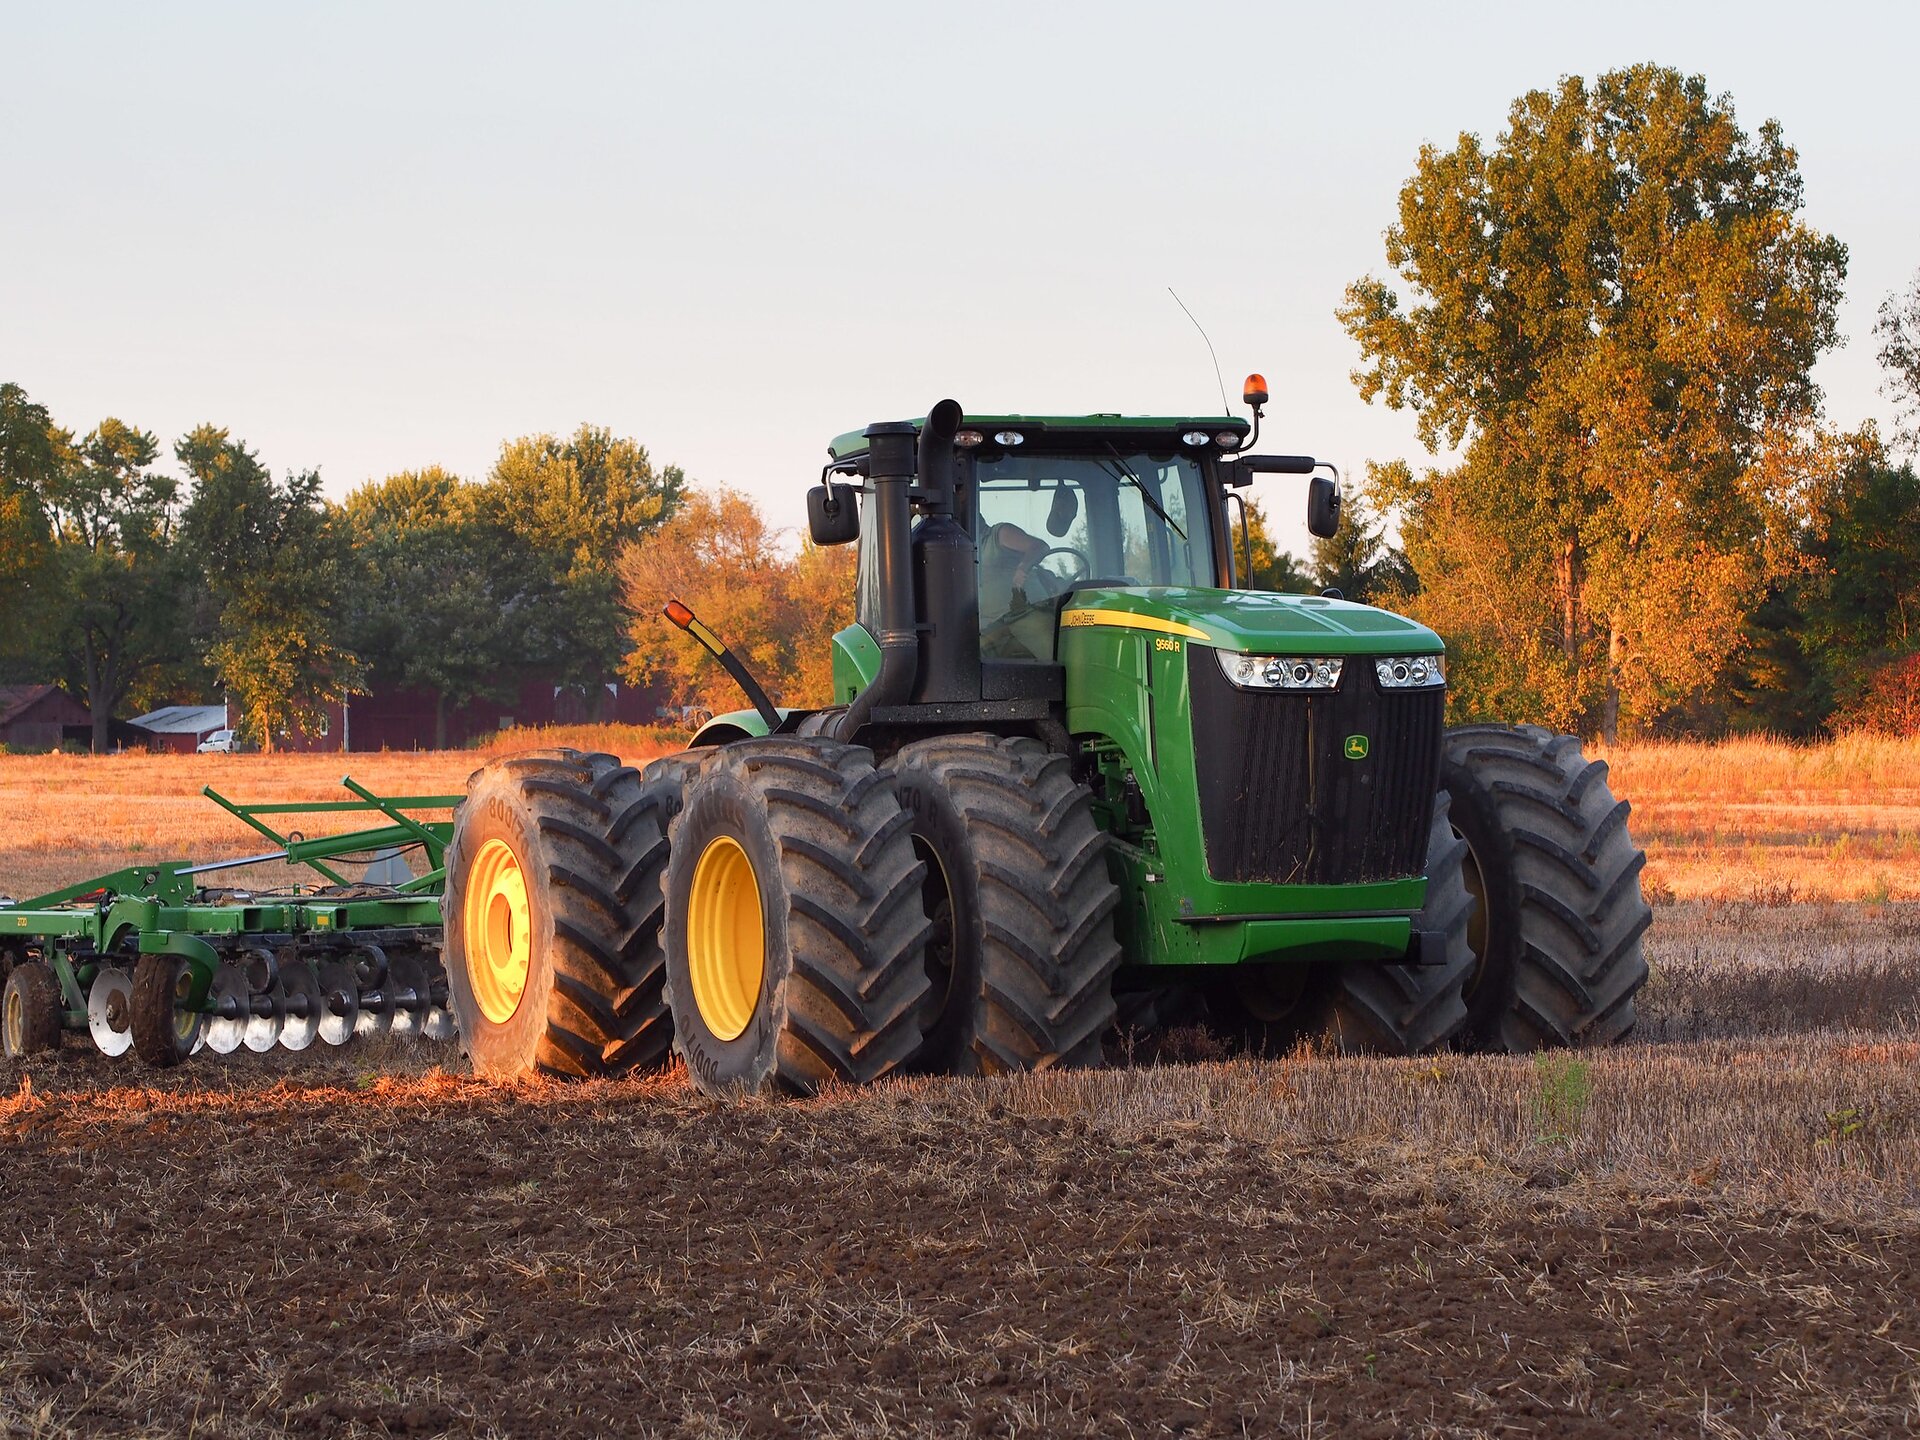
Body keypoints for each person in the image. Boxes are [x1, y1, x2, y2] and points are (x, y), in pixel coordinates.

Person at [978, 520, 1058, 660]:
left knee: (1053, 654)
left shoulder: (998, 534)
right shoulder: (962, 552)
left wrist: (1022, 568)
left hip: (1025, 614)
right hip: (993, 626)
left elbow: (1039, 546)